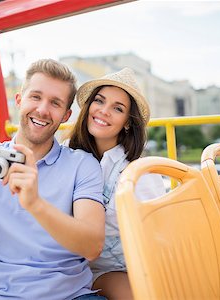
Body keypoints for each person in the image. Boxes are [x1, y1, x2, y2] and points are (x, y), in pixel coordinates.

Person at [0, 59, 106, 300]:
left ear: (65, 115)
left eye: (55, 103)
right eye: (35, 97)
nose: (43, 110)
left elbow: (92, 247)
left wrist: (35, 204)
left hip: (71, 296)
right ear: (19, 100)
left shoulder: (82, 164)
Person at [68, 68, 166, 300]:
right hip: (90, 267)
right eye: (99, 101)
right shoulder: (67, 157)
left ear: (127, 123)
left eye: (118, 108)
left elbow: (158, 231)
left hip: (135, 264)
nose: (104, 111)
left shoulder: (137, 172)